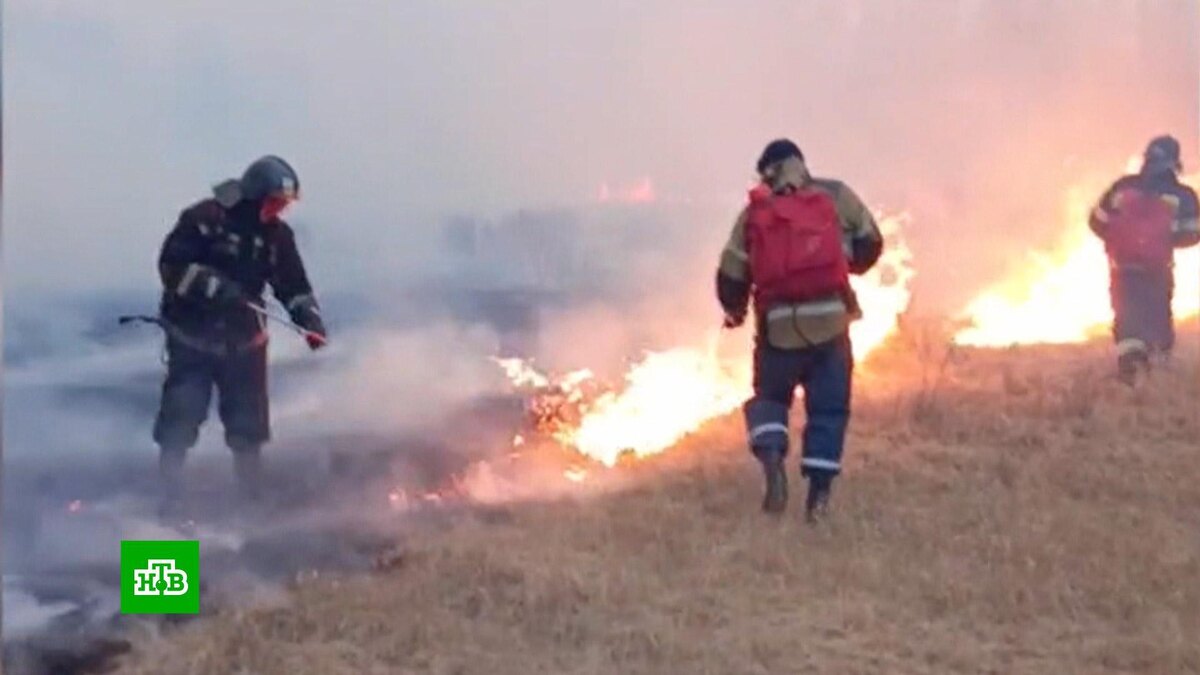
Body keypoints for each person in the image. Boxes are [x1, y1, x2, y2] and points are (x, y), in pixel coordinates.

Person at [717, 139, 883, 523]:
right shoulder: (836, 195)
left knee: (771, 399)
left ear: (767, 173)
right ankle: (819, 498)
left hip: (778, 331)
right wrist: (845, 268)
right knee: (828, 410)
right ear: (801, 164)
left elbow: (731, 273)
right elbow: (871, 241)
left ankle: (773, 459)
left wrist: (735, 310)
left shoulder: (755, 213)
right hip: (830, 328)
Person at [153, 156, 328, 517]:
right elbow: (172, 266)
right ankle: (168, 496)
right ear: (253, 196)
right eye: (274, 202)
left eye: (284, 205)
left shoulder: (278, 236)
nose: (278, 210)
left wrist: (309, 319)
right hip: (193, 340)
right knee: (180, 418)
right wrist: (216, 288)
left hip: (245, 344)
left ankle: (251, 496)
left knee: (248, 426)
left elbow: (293, 285)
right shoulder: (204, 220)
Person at [1089, 135, 1199, 384]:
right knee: (1157, 318)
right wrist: (1165, 241)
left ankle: (1130, 373)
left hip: (1123, 269)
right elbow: (1192, 234)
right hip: (1157, 270)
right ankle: (1156, 374)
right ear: (1175, 163)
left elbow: (1096, 222)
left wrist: (1116, 241)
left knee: (1128, 321)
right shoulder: (1182, 195)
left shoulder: (1123, 187)